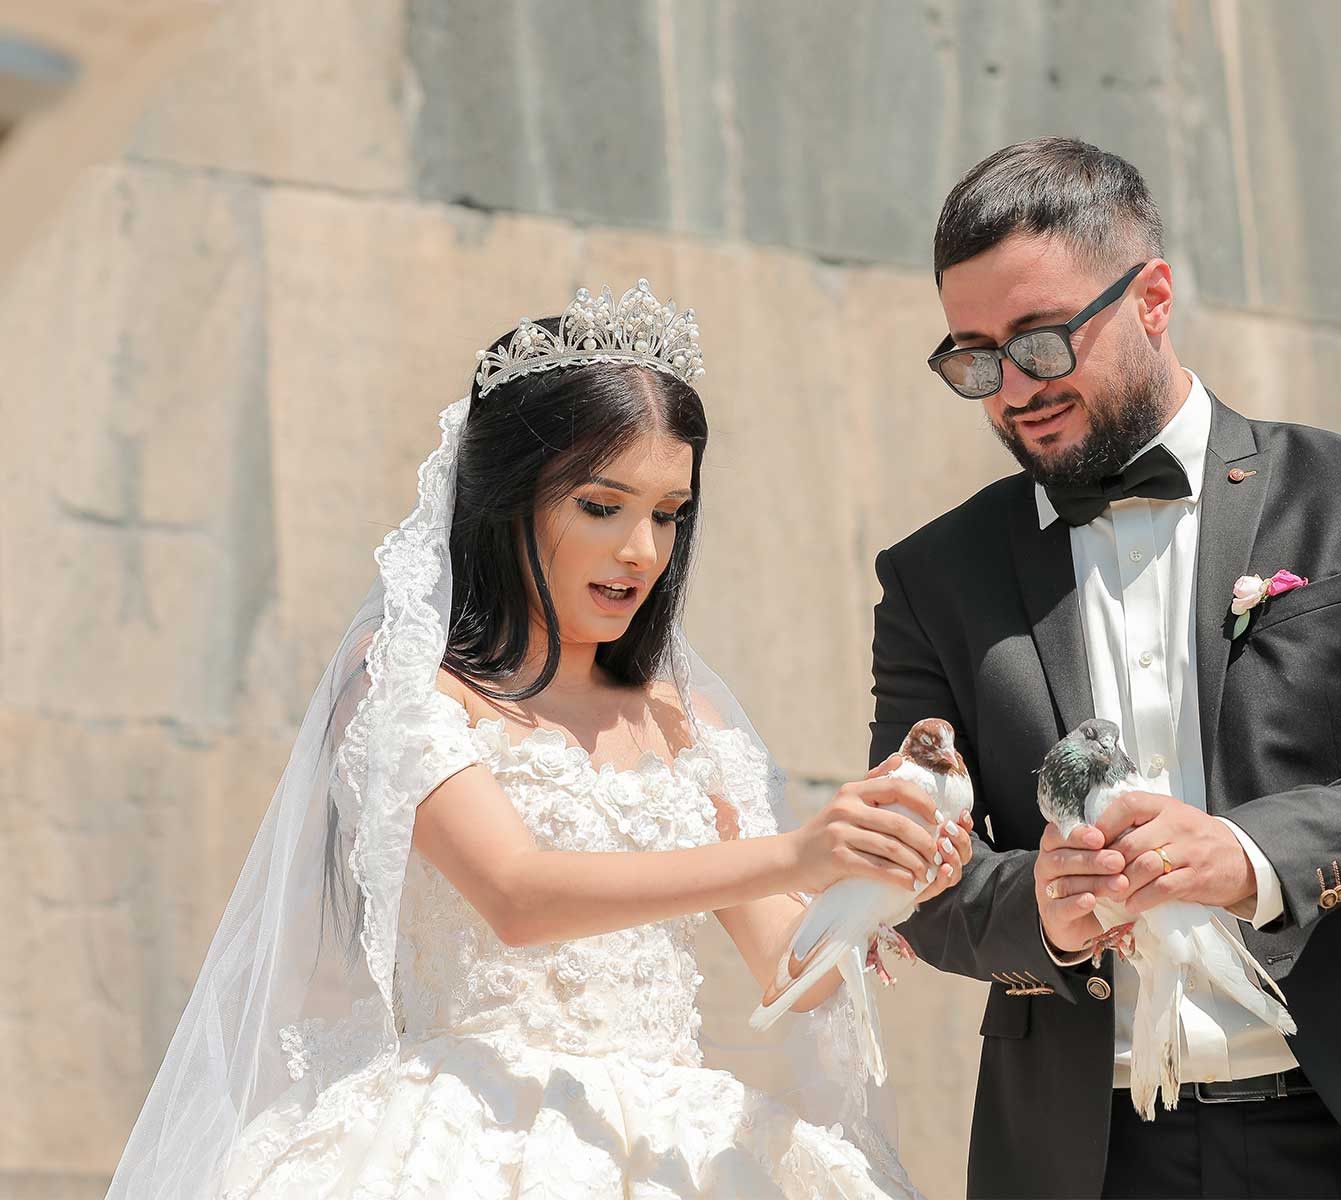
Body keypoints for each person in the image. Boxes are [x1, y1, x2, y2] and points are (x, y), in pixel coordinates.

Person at [109, 280, 969, 1198]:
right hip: (468, 1137)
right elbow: (516, 895)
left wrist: (878, 882)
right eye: (602, 506)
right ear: (508, 500)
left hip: (674, 1152)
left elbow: (790, 971)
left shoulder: (683, 721)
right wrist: (797, 853)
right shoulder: (408, 686)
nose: (642, 551)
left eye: (668, 513)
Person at [872, 139, 1341, 1198]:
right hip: (1091, 1158)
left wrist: (1250, 853)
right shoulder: (932, 576)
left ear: (1153, 298)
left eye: (1040, 342)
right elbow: (911, 865)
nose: (1013, 390)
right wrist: (1042, 908)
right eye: (974, 359)